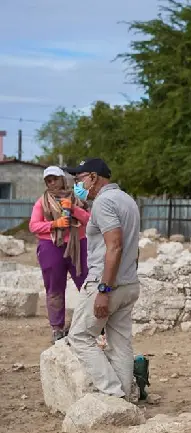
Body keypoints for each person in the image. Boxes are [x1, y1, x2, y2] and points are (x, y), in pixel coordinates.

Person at [64, 158, 142, 400]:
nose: (77, 185)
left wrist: (104, 289)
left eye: (79, 179)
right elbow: (134, 247)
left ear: (93, 177)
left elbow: (115, 245)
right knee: (120, 344)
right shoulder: (127, 200)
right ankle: (124, 398)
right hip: (129, 283)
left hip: (107, 283)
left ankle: (113, 393)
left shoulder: (103, 202)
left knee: (80, 337)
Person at [29, 166, 90, 343]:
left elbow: (89, 219)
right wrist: (54, 224)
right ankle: (57, 328)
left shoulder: (77, 199)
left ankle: (92, 324)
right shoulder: (42, 202)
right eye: (48, 180)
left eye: (55, 179)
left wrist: (73, 209)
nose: (52, 183)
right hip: (51, 247)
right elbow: (33, 226)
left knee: (87, 284)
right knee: (54, 288)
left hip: (78, 245)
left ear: (63, 179)